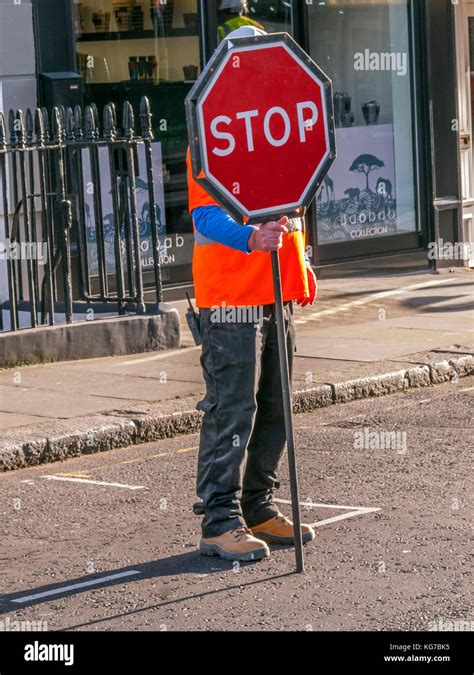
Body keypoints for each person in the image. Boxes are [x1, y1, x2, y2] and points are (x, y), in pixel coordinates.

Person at [187, 24, 318, 562]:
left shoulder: (277, 122)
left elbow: (293, 195)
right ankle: (220, 521)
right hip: (230, 295)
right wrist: (249, 236)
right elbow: (203, 213)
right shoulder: (210, 122)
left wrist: (300, 260)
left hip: (275, 288)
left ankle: (259, 505)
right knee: (231, 408)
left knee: (275, 405)